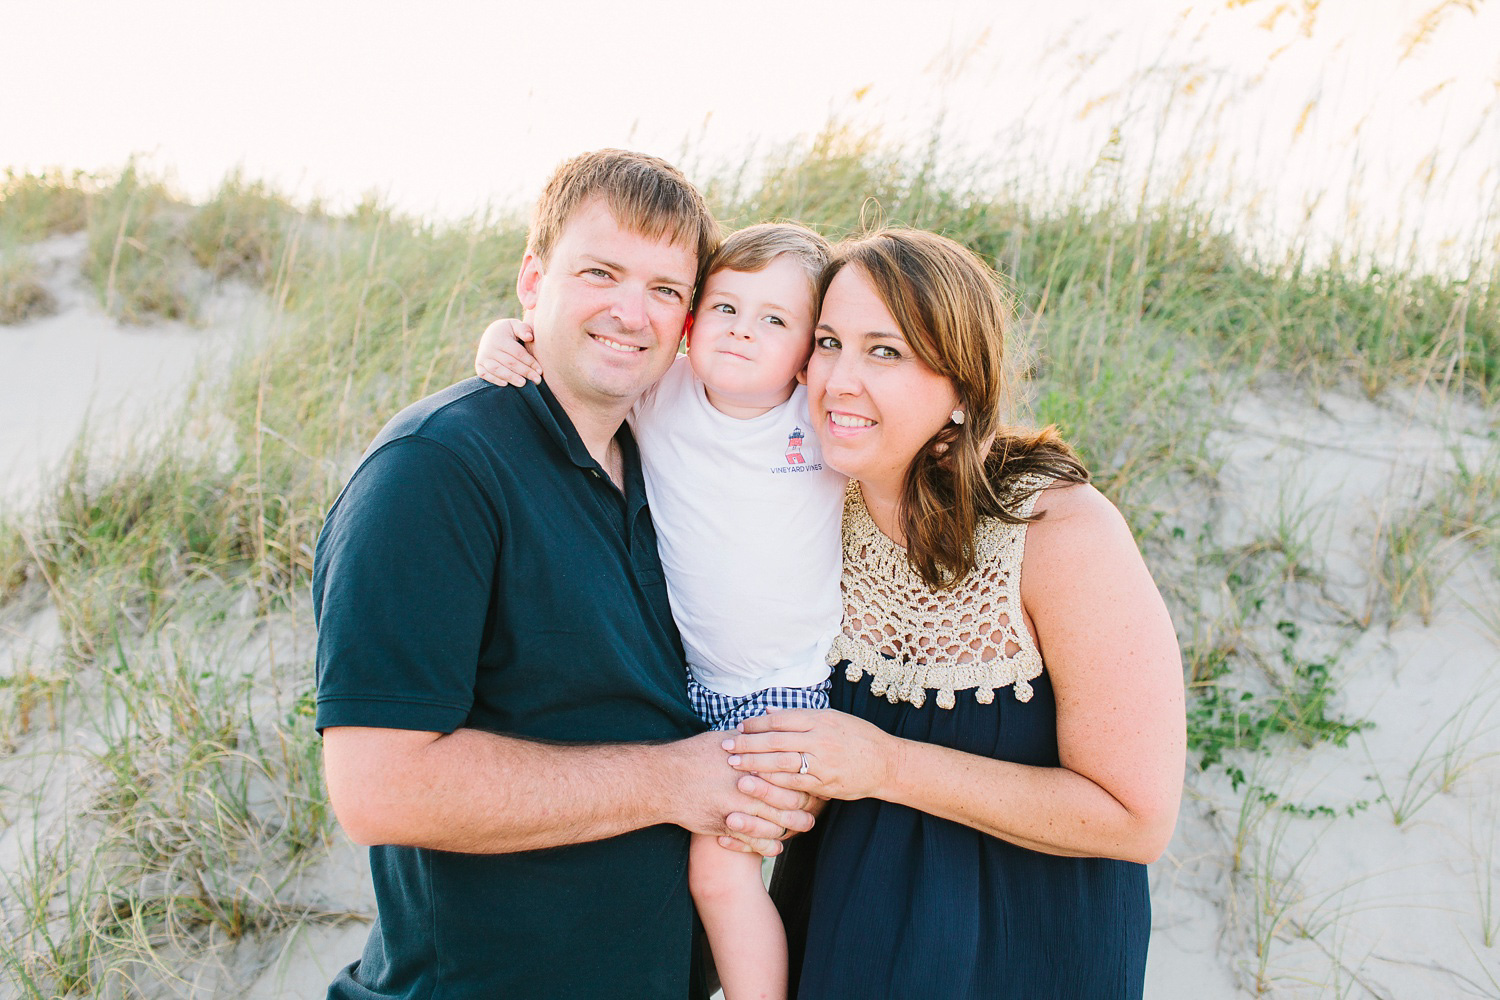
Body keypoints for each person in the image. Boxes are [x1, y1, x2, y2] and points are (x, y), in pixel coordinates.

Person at [312, 150, 815, 1000]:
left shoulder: (663, 461)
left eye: (665, 289)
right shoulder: (436, 471)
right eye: (601, 272)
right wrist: (673, 781)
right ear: (532, 279)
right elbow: (380, 789)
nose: (632, 311)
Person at [719, 228, 1187, 1000]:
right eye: (829, 342)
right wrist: (523, 340)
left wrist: (886, 766)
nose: (839, 379)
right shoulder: (805, 499)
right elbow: (677, 382)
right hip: (844, 942)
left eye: (886, 352)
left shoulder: (1060, 534)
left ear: (964, 388)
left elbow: (1136, 818)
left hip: (1025, 953)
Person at [474, 222, 844, 1000]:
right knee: (663, 869)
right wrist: (500, 339)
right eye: (725, 307)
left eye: (775, 320)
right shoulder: (658, 389)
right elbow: (567, 355)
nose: (743, 331)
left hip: (781, 692)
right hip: (679, 684)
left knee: (720, 877)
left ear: (812, 347)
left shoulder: (820, 416)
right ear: (689, 320)